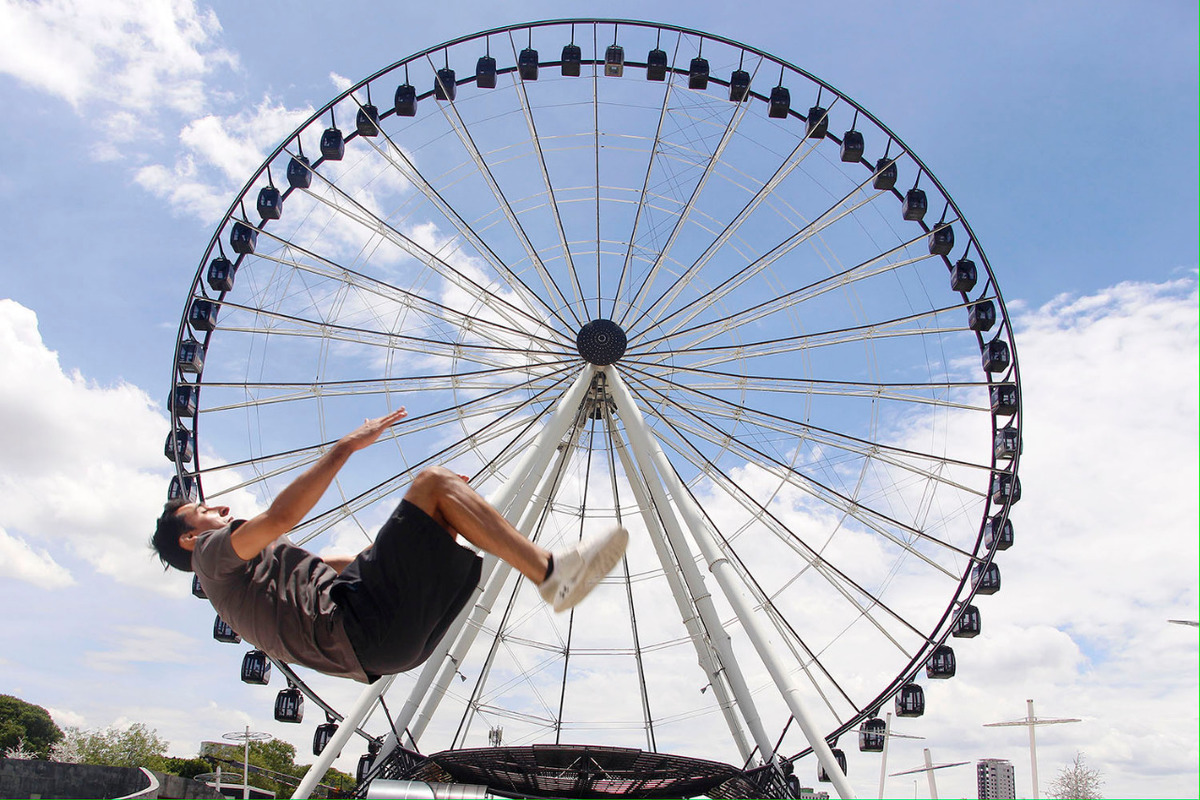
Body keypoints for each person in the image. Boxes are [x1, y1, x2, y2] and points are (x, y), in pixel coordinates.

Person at [151, 408, 628, 683]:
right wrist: (347, 447)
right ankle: (551, 573)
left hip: (389, 651)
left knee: (439, 499)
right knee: (434, 481)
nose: (219, 509)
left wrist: (433, 521)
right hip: (360, 626)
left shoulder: (244, 583)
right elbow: (280, 518)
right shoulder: (213, 554)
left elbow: (333, 565)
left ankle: (526, 559)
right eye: (204, 511)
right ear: (191, 536)